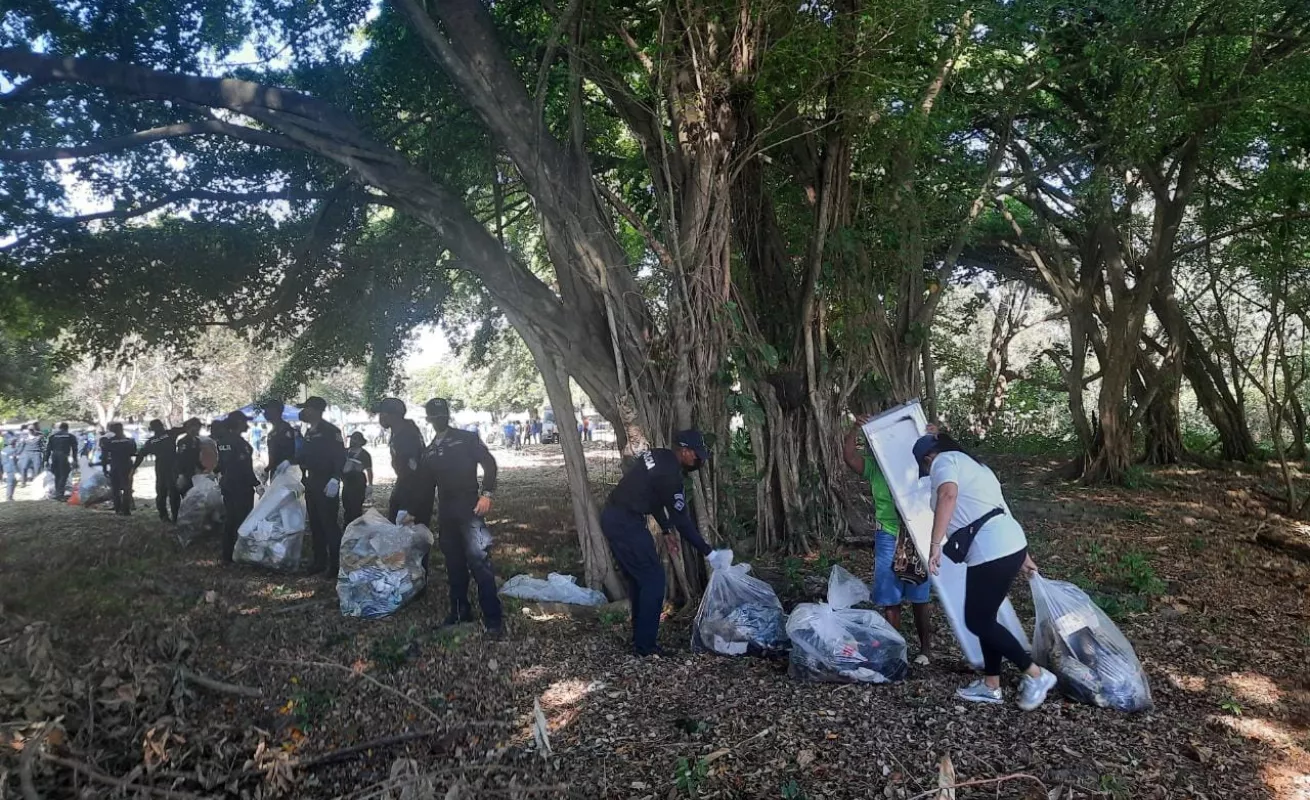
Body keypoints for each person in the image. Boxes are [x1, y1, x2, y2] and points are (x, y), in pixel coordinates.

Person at [915, 433, 1055, 710]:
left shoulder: (944, 461)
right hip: (1008, 544)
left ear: (928, 459)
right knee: (985, 618)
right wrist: (1024, 555)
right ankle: (992, 685)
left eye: (925, 468)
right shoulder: (977, 467)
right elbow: (1000, 508)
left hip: (991, 549)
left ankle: (1036, 674)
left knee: (977, 621)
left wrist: (934, 545)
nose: (929, 473)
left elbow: (948, 494)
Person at [601, 431, 714, 656]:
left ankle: (640, 638)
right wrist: (708, 552)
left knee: (639, 579)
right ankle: (646, 647)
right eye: (696, 456)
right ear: (684, 451)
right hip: (626, 522)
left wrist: (664, 529)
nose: (698, 461)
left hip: (615, 516)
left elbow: (652, 497)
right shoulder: (671, 475)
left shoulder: (659, 456)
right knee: (654, 580)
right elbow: (682, 521)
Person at [843, 416, 934, 664]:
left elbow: (946, 466)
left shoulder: (920, 465)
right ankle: (894, 647)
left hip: (917, 533)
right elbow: (850, 456)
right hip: (888, 534)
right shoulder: (876, 467)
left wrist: (935, 437)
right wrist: (855, 430)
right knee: (889, 595)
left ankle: (926, 650)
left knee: (919, 595)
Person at [414, 397, 503, 637]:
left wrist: (487, 494)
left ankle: (494, 619)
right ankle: (460, 610)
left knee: (479, 559)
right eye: (434, 415)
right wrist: (413, 514)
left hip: (470, 506)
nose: (438, 418)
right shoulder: (430, 451)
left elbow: (490, 464)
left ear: (448, 415)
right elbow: (425, 487)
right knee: (453, 562)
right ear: (429, 419)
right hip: (446, 510)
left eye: (442, 414)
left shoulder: (466, 439)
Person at [299, 396, 345, 577]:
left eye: (307, 408)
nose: (303, 412)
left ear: (316, 410)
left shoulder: (330, 431)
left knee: (329, 525)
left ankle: (335, 565)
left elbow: (339, 457)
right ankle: (319, 561)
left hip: (326, 482)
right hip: (311, 482)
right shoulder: (309, 432)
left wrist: (336, 478)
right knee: (315, 524)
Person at [373, 397, 426, 523]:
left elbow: (416, 472)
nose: (380, 418)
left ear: (393, 415)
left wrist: (409, 507)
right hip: (402, 485)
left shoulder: (408, 436)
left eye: (383, 414)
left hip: (411, 491)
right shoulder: (397, 432)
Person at [215, 411, 258, 562]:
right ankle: (235, 554)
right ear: (238, 422)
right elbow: (237, 466)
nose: (247, 424)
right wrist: (255, 483)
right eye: (244, 421)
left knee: (235, 519)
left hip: (234, 485)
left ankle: (231, 554)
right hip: (238, 486)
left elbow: (222, 464)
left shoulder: (232, 440)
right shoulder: (231, 441)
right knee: (238, 520)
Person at [133, 419, 185, 522]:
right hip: (172, 466)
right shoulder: (170, 433)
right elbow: (185, 428)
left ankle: (164, 516)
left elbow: (141, 455)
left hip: (160, 467)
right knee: (173, 493)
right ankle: (175, 517)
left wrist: (133, 468)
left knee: (161, 492)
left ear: (151, 429)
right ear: (162, 426)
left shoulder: (151, 441)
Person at [102, 422, 138, 516]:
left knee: (115, 489)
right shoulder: (130, 441)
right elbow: (133, 452)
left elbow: (104, 457)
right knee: (127, 488)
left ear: (111, 430)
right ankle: (126, 510)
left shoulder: (108, 442)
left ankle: (118, 509)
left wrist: (104, 469)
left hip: (115, 465)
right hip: (127, 465)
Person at [342, 431, 374, 526]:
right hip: (347, 482)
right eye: (352, 438)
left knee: (355, 508)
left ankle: (357, 528)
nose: (352, 441)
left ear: (360, 441)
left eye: (355, 439)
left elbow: (369, 470)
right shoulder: (345, 452)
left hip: (358, 483)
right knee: (347, 506)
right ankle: (347, 526)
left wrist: (370, 485)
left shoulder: (365, 454)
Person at [262, 399, 301, 475]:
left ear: (276, 411)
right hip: (278, 473)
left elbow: (281, 455)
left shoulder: (284, 429)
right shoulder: (275, 430)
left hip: (285, 473)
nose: (265, 412)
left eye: (267, 409)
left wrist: (267, 469)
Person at [45, 423, 79, 500]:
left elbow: (48, 450)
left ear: (60, 428)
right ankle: (60, 494)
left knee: (57, 475)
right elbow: (74, 449)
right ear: (67, 428)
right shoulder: (70, 436)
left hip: (54, 456)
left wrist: (46, 460)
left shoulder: (53, 436)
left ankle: (58, 493)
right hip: (64, 456)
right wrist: (75, 460)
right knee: (64, 475)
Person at [174, 417, 204, 497]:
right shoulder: (184, 441)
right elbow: (181, 458)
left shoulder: (198, 441)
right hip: (186, 472)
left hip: (197, 472)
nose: (197, 430)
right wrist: (181, 474)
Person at [2, 433, 17, 502]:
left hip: (5, 467)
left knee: (11, 483)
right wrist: (16, 472)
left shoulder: (3, 450)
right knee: (11, 483)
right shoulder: (12, 450)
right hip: (11, 469)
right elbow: (12, 462)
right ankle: (9, 498)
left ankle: (10, 497)